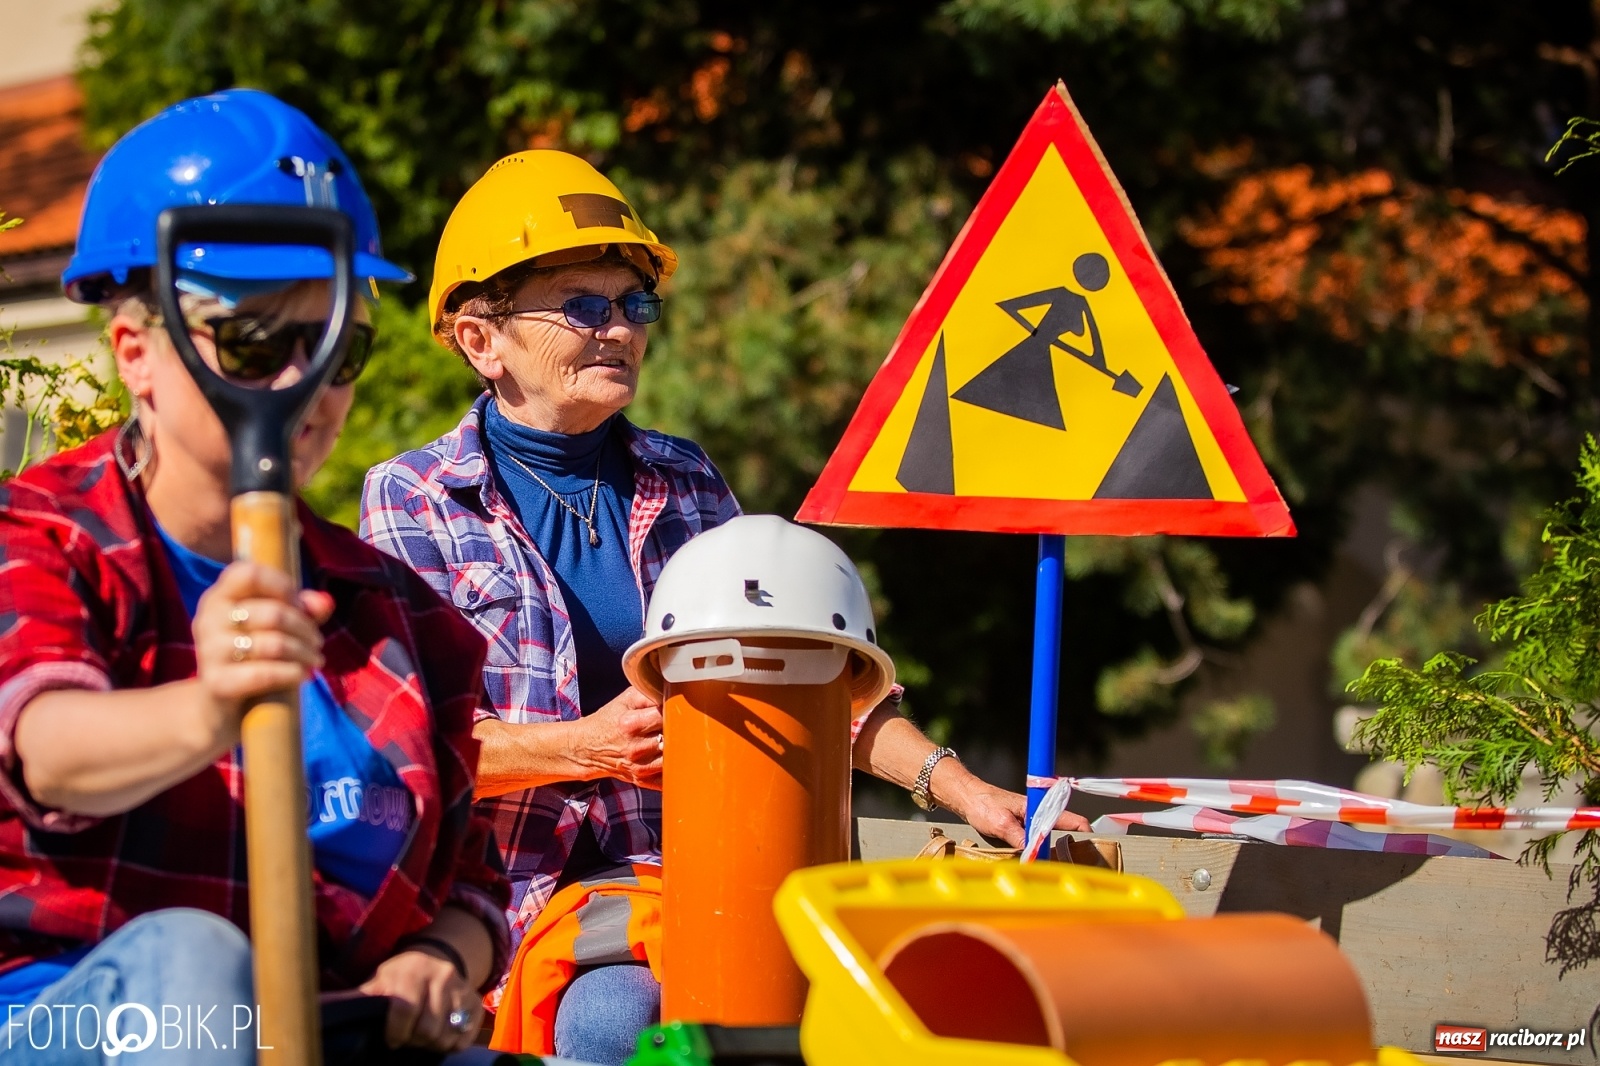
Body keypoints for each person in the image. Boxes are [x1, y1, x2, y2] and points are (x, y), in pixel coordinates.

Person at [359, 150, 1089, 1065]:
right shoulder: (414, 499)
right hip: (510, 912)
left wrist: (967, 791)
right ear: (480, 340)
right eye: (586, 306)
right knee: (621, 1025)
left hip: (717, 890)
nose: (619, 330)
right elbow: (407, 749)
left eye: (636, 305)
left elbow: (813, 684)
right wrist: (581, 746)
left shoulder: (687, 479)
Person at [0, 90, 509, 1064]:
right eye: (252, 341)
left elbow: (471, 874)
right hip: (62, 1013)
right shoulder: (39, 537)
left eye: (334, 346)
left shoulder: (404, 615)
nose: (303, 385)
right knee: (198, 966)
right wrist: (210, 706)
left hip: (325, 1031)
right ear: (138, 354)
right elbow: (44, 743)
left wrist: (443, 954)